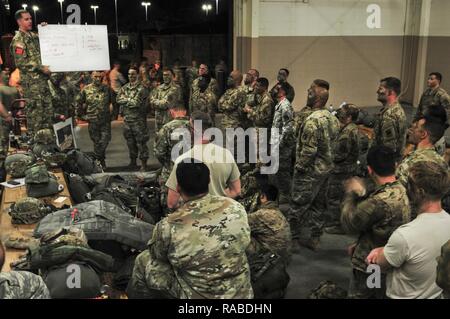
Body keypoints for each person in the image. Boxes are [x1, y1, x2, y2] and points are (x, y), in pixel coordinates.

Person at [127, 160, 253, 299]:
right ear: (209, 180)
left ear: (178, 187)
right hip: (241, 294)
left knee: (142, 260)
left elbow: (158, 256)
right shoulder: (235, 207)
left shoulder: (168, 225)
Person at [367, 161, 450, 299]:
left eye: (409, 184)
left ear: (420, 192)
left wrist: (377, 253)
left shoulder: (405, 235)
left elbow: (378, 263)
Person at [341, 146, 411, 299]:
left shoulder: (378, 202)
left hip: (372, 264)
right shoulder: (402, 189)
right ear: (395, 166)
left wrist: (353, 194)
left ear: (370, 170)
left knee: (365, 294)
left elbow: (350, 223)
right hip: (390, 257)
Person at [288, 79, 340, 251]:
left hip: (309, 172)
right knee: (319, 205)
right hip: (326, 170)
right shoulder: (332, 119)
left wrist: (299, 168)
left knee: (298, 205)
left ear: (315, 97)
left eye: (310, 92)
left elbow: (309, 151)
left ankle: (294, 239)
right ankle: (315, 238)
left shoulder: (312, 121)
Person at [166, 111, 241, 210]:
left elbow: (172, 203)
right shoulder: (226, 154)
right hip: (220, 215)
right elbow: (236, 190)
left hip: (193, 219)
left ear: (193, 131)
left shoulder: (183, 160)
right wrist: (218, 200)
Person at [10, 9, 53, 136]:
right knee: (36, 118)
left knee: (47, 115)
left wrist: (46, 30)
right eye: (26, 19)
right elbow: (21, 63)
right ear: (19, 21)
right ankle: (36, 149)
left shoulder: (33, 36)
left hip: (43, 83)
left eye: (30, 18)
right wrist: (41, 67)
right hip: (33, 87)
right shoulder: (18, 41)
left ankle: (48, 147)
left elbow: (48, 43)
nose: (30, 21)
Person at [325, 104, 360, 234]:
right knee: (344, 197)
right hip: (348, 170)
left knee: (334, 198)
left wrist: (325, 156)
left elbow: (339, 155)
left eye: (343, 113)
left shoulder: (347, 133)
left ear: (349, 117)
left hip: (341, 171)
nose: (340, 115)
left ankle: (337, 225)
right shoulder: (352, 129)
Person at [396, 107, 448, 189]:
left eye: (415, 127)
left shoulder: (409, 164)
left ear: (423, 134)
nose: (410, 129)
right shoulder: (442, 163)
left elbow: (398, 194)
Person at [154, 104, 190, 213]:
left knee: (169, 205)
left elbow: (159, 152)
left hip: (171, 171)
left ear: (172, 112)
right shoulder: (194, 126)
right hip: (192, 170)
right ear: (185, 112)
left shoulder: (167, 128)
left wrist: (167, 163)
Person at [76, 71, 112, 168]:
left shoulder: (106, 88)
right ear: (92, 77)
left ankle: (97, 159)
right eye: (95, 77)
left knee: (105, 140)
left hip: (105, 121)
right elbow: (78, 102)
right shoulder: (86, 89)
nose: (97, 79)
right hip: (93, 121)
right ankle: (101, 161)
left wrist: (114, 115)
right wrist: (82, 116)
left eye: (99, 77)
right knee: (96, 142)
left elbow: (114, 102)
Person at [246, 184, 292, 262]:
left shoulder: (261, 214)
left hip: (270, 257)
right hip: (284, 256)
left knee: (239, 234)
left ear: (262, 196)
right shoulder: (278, 212)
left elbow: (240, 223)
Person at [116, 67, 150, 171]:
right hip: (127, 121)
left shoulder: (142, 88)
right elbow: (118, 99)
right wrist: (129, 100)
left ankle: (144, 164)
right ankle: (133, 162)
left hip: (138, 121)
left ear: (137, 75)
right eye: (129, 74)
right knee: (130, 143)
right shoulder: (125, 87)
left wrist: (125, 100)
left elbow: (136, 103)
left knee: (141, 143)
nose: (131, 76)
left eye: (133, 74)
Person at [270, 82, 295, 204]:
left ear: (282, 92)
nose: (274, 90)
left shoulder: (285, 105)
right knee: (278, 174)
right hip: (277, 146)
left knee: (283, 174)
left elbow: (288, 127)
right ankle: (282, 197)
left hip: (283, 148)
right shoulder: (279, 105)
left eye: (277, 88)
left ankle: (287, 201)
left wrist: (279, 144)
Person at [414, 72, 450, 155]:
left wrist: (440, 129)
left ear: (438, 80)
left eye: (431, 79)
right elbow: (420, 108)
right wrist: (415, 121)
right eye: (428, 78)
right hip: (423, 126)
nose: (428, 80)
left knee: (433, 152)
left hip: (434, 130)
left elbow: (448, 114)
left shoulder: (443, 95)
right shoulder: (426, 93)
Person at [373, 77, 407, 162]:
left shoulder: (389, 116)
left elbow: (388, 147)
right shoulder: (397, 109)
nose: (377, 91)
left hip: (385, 164)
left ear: (391, 92)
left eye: (381, 89)